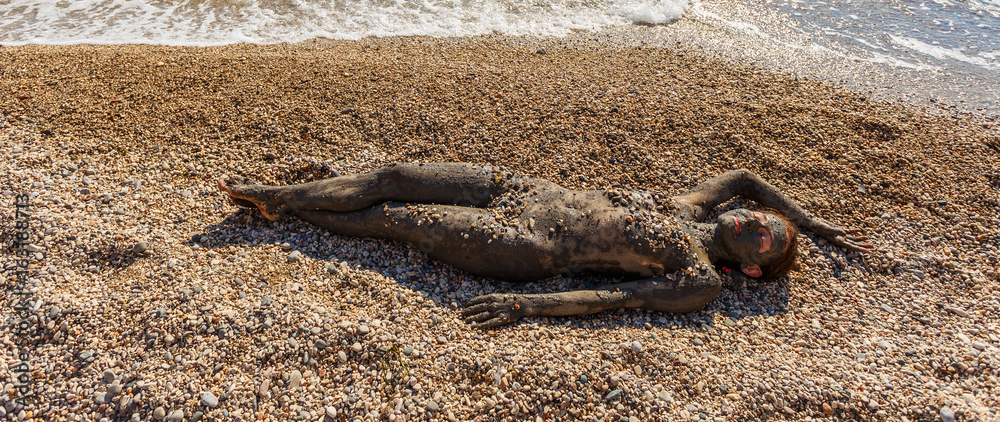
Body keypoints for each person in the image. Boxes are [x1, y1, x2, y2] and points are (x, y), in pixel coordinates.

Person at [218, 164, 868, 328]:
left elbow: (618, 296)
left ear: (751, 266)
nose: (756, 218)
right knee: (392, 174)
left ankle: (280, 203)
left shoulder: (702, 276)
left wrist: (532, 307)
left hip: (527, 244)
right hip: (519, 188)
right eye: (761, 217)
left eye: (764, 234)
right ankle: (284, 194)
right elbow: (748, 177)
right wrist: (813, 226)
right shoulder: (693, 208)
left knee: (395, 217)